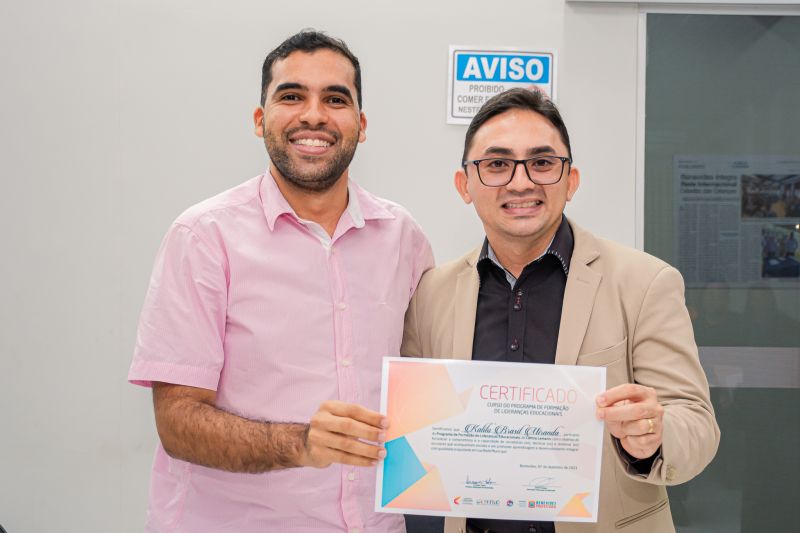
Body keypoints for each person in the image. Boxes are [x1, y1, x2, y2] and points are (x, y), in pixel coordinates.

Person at [129, 30, 433, 532]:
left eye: (335, 99)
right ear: (260, 119)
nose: (314, 115)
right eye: (291, 96)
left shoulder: (403, 237)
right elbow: (177, 422)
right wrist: (302, 444)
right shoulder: (203, 237)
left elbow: (425, 388)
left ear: (360, 124)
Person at [401, 88, 719, 533]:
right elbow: (415, 437)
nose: (521, 182)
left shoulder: (645, 282)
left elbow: (697, 425)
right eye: (497, 164)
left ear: (571, 180)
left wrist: (654, 433)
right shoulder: (430, 294)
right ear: (464, 185)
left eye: (542, 162)